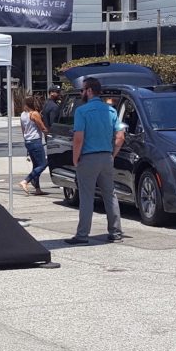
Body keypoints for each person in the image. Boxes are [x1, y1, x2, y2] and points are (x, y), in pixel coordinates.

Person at [65, 77, 126, 245]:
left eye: (83, 90)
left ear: (89, 91)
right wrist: (112, 154)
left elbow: (78, 138)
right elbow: (120, 137)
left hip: (88, 157)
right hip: (106, 157)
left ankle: (82, 235)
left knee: (86, 197)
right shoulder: (111, 111)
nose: (81, 93)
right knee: (110, 195)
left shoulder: (82, 111)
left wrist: (75, 158)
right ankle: (115, 232)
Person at [19, 96, 49, 195]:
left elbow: (23, 130)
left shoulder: (23, 115)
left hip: (28, 141)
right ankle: (26, 181)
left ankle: (37, 188)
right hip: (35, 141)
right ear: (33, 103)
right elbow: (42, 127)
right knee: (43, 164)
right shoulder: (34, 114)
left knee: (36, 165)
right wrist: (49, 133)